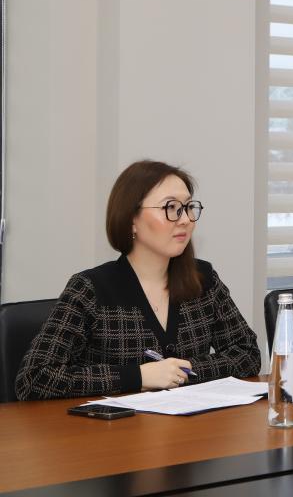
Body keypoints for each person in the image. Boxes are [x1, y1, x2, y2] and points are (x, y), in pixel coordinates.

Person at [16, 161, 260, 400]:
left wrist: (184, 371)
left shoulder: (203, 279)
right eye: (171, 207)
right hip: (115, 425)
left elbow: (247, 354)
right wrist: (138, 376)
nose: (185, 219)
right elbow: (34, 378)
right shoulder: (90, 288)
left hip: (192, 422)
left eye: (188, 207)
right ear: (131, 219)